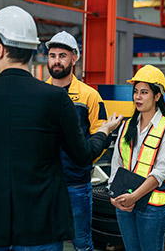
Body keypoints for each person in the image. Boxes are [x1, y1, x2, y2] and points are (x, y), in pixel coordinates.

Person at [0, 6, 122, 251]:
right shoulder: (56, 99)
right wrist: (104, 132)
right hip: (42, 227)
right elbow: (83, 155)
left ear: (0, 49)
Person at [45, 31, 107, 251]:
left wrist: (83, 162)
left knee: (81, 241)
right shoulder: (39, 93)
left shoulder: (89, 96)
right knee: (48, 242)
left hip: (76, 183)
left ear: (74, 58)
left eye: (62, 55)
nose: (57, 61)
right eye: (52, 55)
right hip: (45, 183)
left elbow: (101, 134)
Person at [108, 65, 165, 251]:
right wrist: (113, 196)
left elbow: (163, 170)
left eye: (144, 92)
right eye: (136, 92)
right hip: (124, 204)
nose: (138, 97)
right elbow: (117, 163)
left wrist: (134, 197)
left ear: (157, 96)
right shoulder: (125, 127)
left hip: (152, 207)